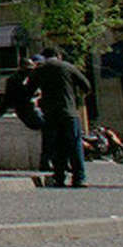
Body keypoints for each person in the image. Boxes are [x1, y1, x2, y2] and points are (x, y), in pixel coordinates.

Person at [31, 48, 91, 188]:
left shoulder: (40, 70)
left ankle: (59, 176)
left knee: (57, 146)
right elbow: (86, 86)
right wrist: (75, 97)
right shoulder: (68, 67)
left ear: (44, 57)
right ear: (58, 56)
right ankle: (79, 178)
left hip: (51, 113)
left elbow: (29, 89)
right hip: (69, 112)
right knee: (74, 145)